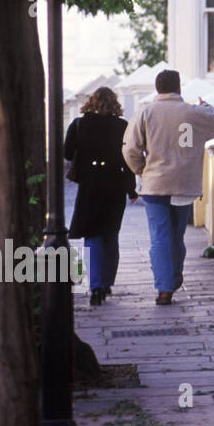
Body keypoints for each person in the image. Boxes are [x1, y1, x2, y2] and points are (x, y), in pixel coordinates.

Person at [122, 69, 214, 305]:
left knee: (160, 236)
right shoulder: (193, 112)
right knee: (177, 235)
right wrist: (207, 105)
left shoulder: (145, 112)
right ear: (179, 88)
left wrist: (142, 171)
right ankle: (174, 275)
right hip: (184, 184)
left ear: (157, 88)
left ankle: (164, 287)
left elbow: (130, 149)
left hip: (155, 185)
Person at [63, 87, 138, 306]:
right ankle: (106, 283)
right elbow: (128, 162)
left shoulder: (79, 124)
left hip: (90, 185)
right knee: (110, 234)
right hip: (114, 184)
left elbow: (67, 153)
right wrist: (131, 190)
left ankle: (95, 286)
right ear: (114, 103)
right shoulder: (122, 126)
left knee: (92, 234)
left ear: (91, 102)